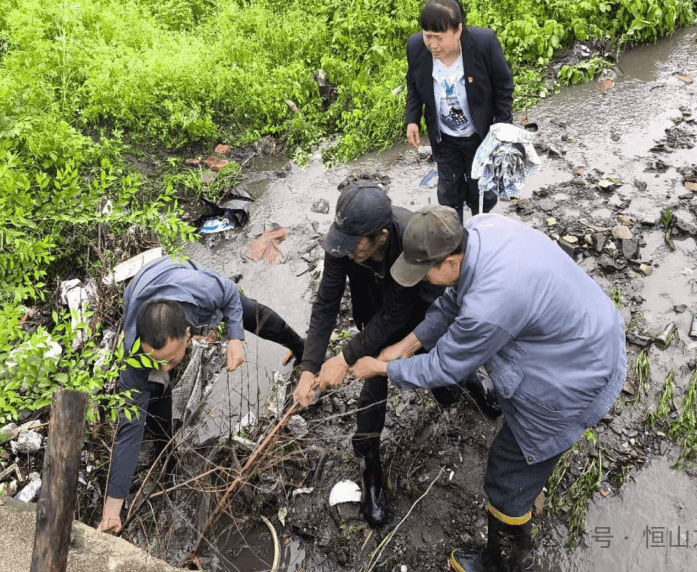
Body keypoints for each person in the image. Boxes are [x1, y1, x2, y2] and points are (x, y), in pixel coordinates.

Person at [352, 207, 626, 571]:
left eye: (427, 271)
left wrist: (384, 367)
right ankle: (532, 489)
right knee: (518, 450)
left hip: (576, 378)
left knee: (506, 476)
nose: (425, 280)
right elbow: (452, 301)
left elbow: (445, 366)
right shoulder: (482, 228)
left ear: (451, 258)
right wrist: (406, 346)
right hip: (587, 331)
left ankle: (503, 562)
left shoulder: (489, 304)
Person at [292, 181, 471, 528]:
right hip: (372, 310)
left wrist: (342, 358)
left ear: (382, 236)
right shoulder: (343, 242)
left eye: (354, 246)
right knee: (372, 370)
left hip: (417, 310)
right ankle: (369, 459)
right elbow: (327, 303)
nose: (344, 251)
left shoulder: (410, 239)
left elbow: (397, 313)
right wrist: (310, 367)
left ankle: (470, 383)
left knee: (443, 376)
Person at [97, 255, 304, 533]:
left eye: (170, 360)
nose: (164, 366)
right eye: (156, 360)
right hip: (139, 291)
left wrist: (235, 337)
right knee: (155, 396)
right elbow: (128, 431)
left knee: (251, 312)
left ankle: (302, 348)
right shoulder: (134, 360)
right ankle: (167, 461)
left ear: (186, 333)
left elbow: (229, 293)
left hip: (177, 277)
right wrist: (112, 511)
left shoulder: (203, 290)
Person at [405, 0, 514, 222]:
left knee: (482, 194)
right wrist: (412, 118)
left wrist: (503, 125)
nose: (432, 45)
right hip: (445, 138)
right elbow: (413, 83)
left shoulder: (483, 43)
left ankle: (480, 231)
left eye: (439, 37)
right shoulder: (416, 46)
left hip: (479, 135)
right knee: (448, 196)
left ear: (458, 30)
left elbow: (504, 84)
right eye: (428, 35)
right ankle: (456, 241)